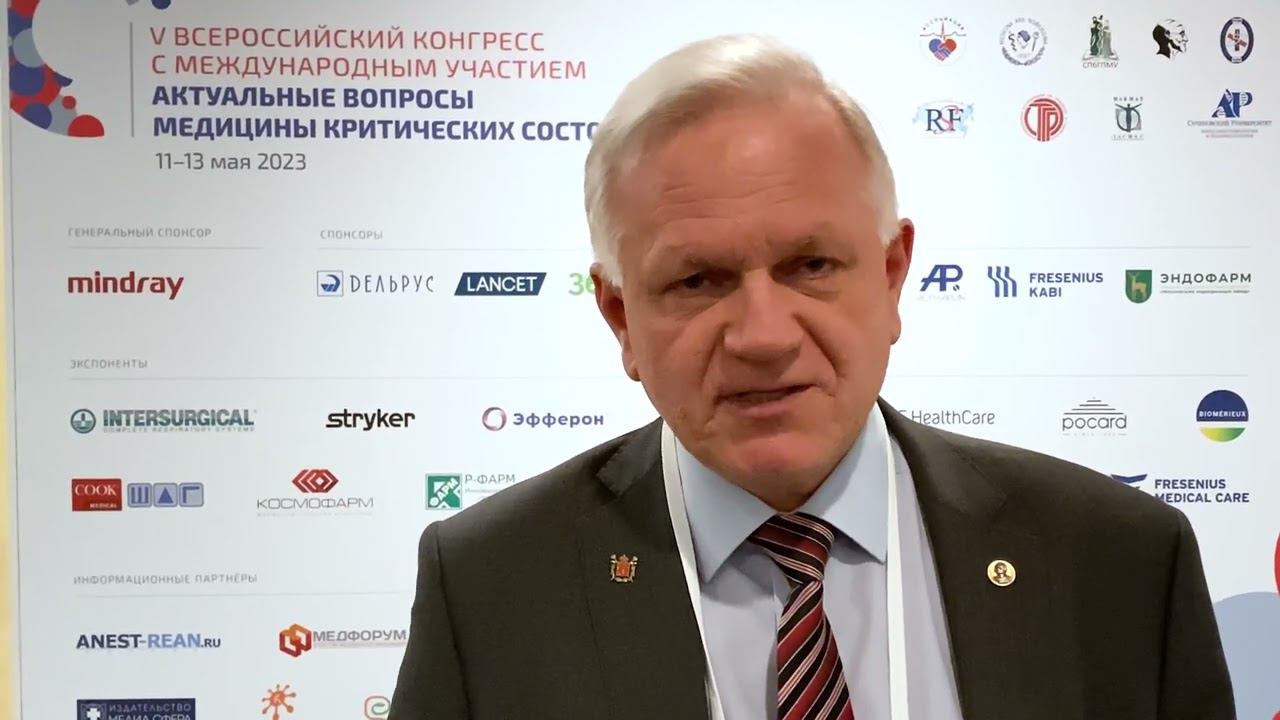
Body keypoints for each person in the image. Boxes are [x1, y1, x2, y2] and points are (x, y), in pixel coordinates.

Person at [388, 34, 1235, 720]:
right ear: (620, 318)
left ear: (893, 275)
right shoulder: (490, 587)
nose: (762, 337)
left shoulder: (1119, 561)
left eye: (812, 265)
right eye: (697, 280)